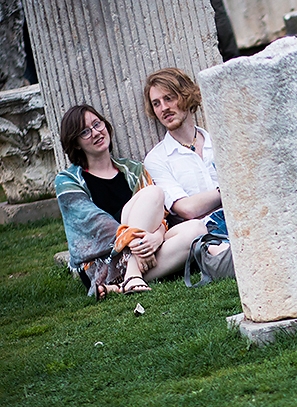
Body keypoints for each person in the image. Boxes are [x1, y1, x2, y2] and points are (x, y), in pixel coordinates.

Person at [55, 104, 208, 300]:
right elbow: (95, 226)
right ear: (75, 143)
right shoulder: (68, 181)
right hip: (103, 262)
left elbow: (159, 214)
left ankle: (124, 282)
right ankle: (133, 273)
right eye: (85, 132)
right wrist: (135, 241)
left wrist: (157, 236)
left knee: (197, 230)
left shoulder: (133, 170)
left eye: (97, 124)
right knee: (153, 193)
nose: (96, 133)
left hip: (144, 248)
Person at [142, 67, 225, 228]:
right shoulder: (156, 159)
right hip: (207, 236)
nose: (164, 108)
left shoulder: (220, 141)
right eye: (156, 104)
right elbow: (187, 209)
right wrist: (228, 190)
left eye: (169, 98)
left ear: (186, 96)